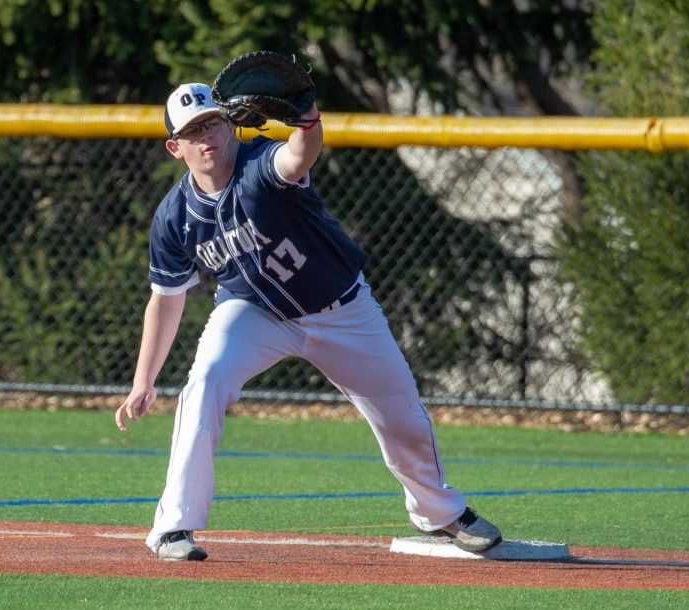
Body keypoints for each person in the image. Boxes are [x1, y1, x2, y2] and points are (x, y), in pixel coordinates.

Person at [114, 81, 502, 561]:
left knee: (401, 416)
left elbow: (300, 154)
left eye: (213, 122)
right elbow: (166, 300)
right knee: (206, 380)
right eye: (193, 131)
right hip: (253, 313)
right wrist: (143, 380)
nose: (206, 136)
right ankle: (173, 527)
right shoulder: (175, 217)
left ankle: (440, 513)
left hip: (341, 309)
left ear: (230, 124)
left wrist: (307, 116)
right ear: (176, 147)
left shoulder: (260, 165)